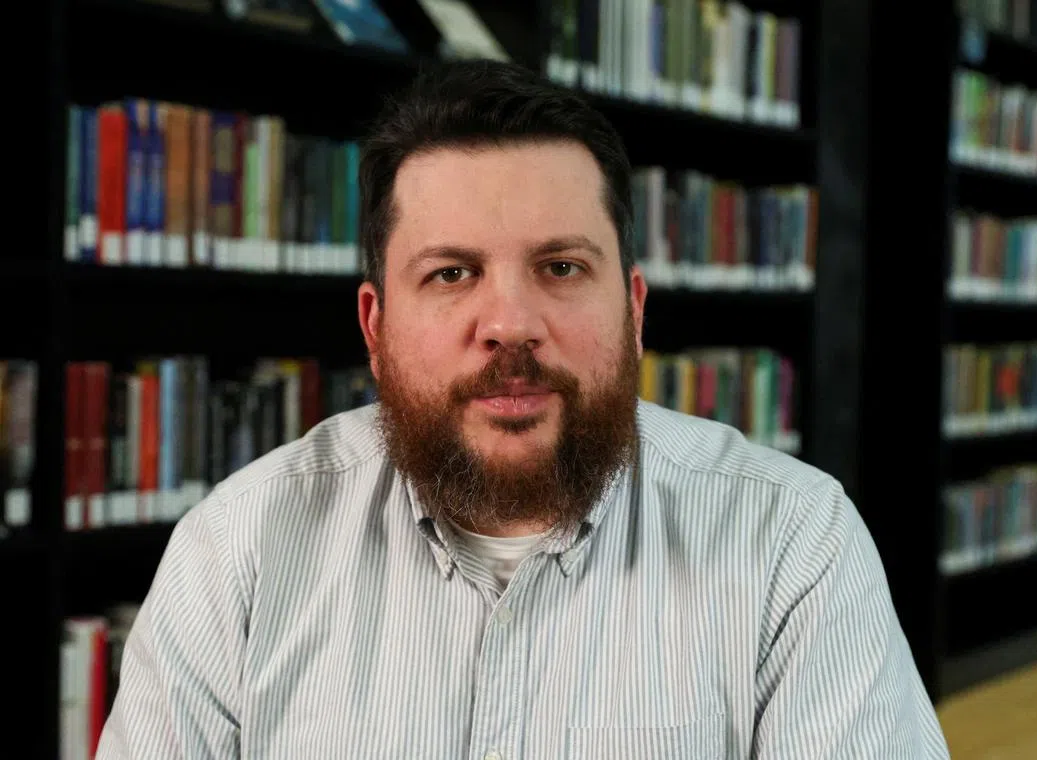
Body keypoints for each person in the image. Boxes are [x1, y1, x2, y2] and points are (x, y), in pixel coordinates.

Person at [96, 59, 950, 759]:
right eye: (451, 273)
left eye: (562, 267)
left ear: (635, 309)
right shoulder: (236, 550)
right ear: (376, 326)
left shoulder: (793, 545)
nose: (511, 325)